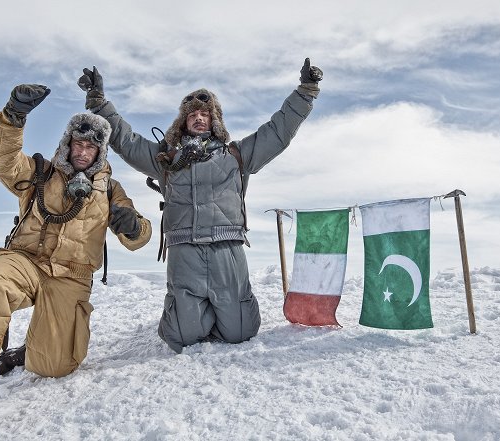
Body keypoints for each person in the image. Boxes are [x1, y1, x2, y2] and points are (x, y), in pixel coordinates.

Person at [77, 58, 322, 354]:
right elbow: (127, 142)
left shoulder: (237, 155)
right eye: (192, 114)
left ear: (214, 120)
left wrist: (305, 92)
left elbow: (277, 132)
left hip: (227, 247)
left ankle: (217, 309)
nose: (199, 118)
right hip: (184, 249)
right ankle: (190, 310)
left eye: (205, 113)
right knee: (181, 336)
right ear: (183, 121)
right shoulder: (165, 159)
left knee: (241, 331)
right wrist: (100, 104)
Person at [0, 84, 152, 430]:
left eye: (91, 146)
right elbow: (2, 160)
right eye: (78, 143)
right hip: (25, 259)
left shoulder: (111, 189)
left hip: (72, 276)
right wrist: (12, 118)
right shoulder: (40, 172)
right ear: (68, 143)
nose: (83, 151)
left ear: (100, 151)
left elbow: (140, 236)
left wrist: (133, 226)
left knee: (56, 366)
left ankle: (31, 351)